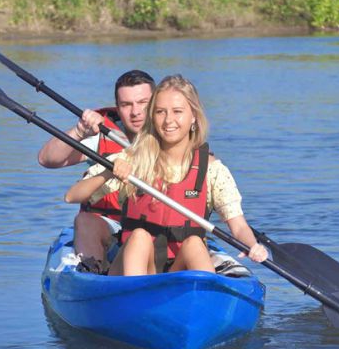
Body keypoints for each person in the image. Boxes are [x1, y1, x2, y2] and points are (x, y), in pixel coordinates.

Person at [64, 74, 268, 276]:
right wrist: (110, 171)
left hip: (178, 268)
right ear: (153, 116)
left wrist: (252, 245)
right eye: (160, 112)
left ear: (193, 116)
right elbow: (72, 196)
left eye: (177, 111)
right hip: (135, 269)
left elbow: (239, 226)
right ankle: (135, 297)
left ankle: (206, 296)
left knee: (195, 243)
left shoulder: (212, 170)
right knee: (140, 237)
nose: (169, 120)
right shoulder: (133, 159)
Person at [38, 70, 156, 273]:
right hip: (108, 224)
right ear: (118, 107)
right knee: (85, 220)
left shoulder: (171, 134)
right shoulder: (103, 136)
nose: (135, 112)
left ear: (155, 103)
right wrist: (79, 132)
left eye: (143, 102)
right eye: (127, 105)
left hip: (153, 226)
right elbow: (47, 159)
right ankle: (92, 275)